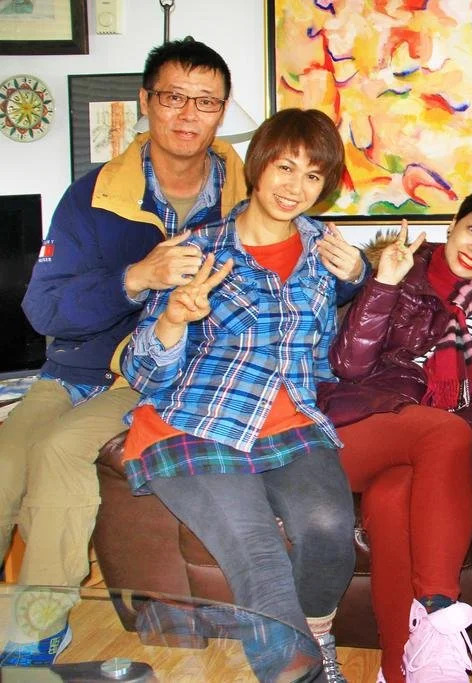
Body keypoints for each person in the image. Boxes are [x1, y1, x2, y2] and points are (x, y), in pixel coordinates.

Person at [0, 37, 246, 662]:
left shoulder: (245, 199)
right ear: (145, 101)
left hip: (161, 377)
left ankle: (39, 620)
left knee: (59, 451)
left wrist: (356, 275)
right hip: (74, 369)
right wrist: (134, 277)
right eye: (173, 97)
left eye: (206, 101)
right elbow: (42, 309)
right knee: (3, 461)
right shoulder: (94, 195)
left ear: (222, 111)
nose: (188, 114)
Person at [115, 108, 368, 682]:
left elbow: (341, 333)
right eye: (285, 167)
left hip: (290, 423)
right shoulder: (195, 253)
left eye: (312, 175)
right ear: (258, 166)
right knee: (259, 556)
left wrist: (365, 275)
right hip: (196, 421)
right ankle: (300, 673)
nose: (295, 187)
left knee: (330, 531)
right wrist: (172, 321)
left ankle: (315, 637)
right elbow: (144, 374)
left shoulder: (327, 254)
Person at [317, 186, 472, 683]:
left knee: (393, 499)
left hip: (435, 452)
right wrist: (384, 285)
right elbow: (348, 366)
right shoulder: (402, 267)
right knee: (444, 431)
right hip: (367, 425)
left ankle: (400, 670)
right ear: (453, 224)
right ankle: (439, 608)